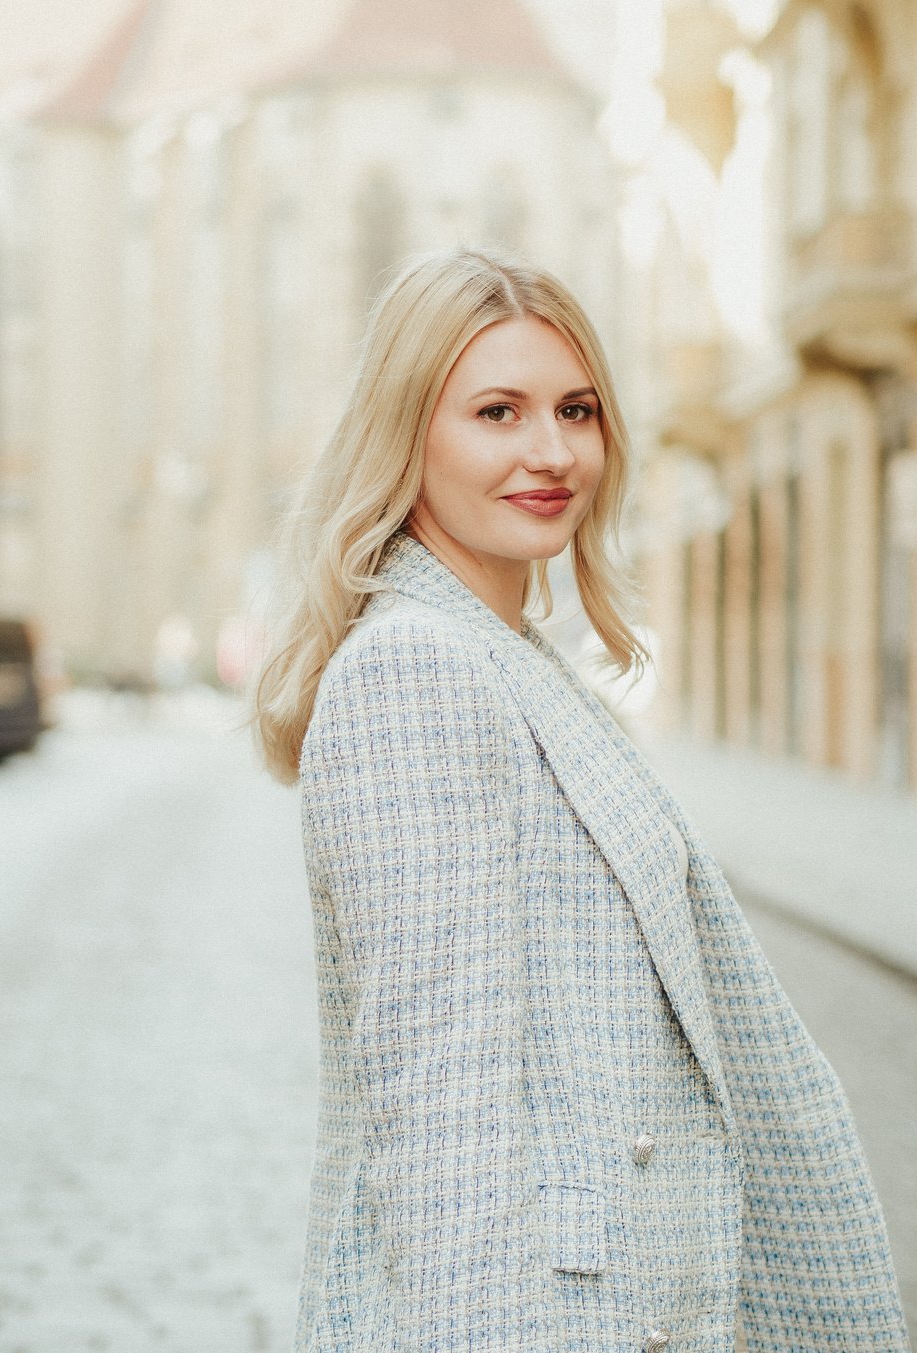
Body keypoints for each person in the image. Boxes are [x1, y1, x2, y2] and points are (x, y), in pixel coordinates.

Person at [252, 249, 910, 1352]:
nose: (551, 453)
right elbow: (444, 1120)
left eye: (577, 410)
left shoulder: (509, 656)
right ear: (407, 431)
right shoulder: (416, 673)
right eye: (497, 412)